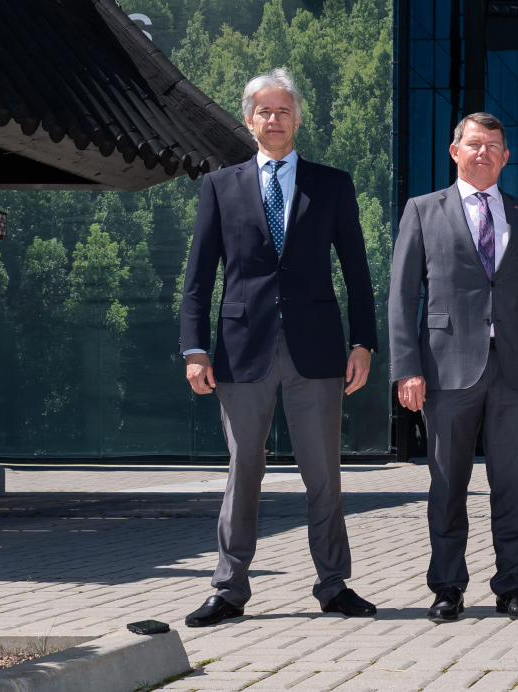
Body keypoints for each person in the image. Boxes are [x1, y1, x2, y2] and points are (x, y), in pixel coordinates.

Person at [177, 68, 378, 627]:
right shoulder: (220, 186)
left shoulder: (331, 185)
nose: (274, 119)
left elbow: (357, 273)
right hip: (242, 352)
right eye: (264, 111)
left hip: (317, 351)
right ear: (249, 120)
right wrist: (194, 349)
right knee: (244, 470)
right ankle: (228, 589)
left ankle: (334, 585)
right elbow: (198, 278)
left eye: (283, 110)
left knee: (324, 474)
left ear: (297, 119)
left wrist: (363, 343)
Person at [390, 112, 518, 623]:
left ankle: (512, 586)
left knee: (512, 485)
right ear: (455, 151)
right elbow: (402, 296)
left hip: (515, 370)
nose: (483, 152)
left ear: (505, 157)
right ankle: (447, 587)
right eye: (474, 144)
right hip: (445, 371)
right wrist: (407, 368)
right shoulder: (423, 210)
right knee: (447, 485)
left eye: (492, 145)